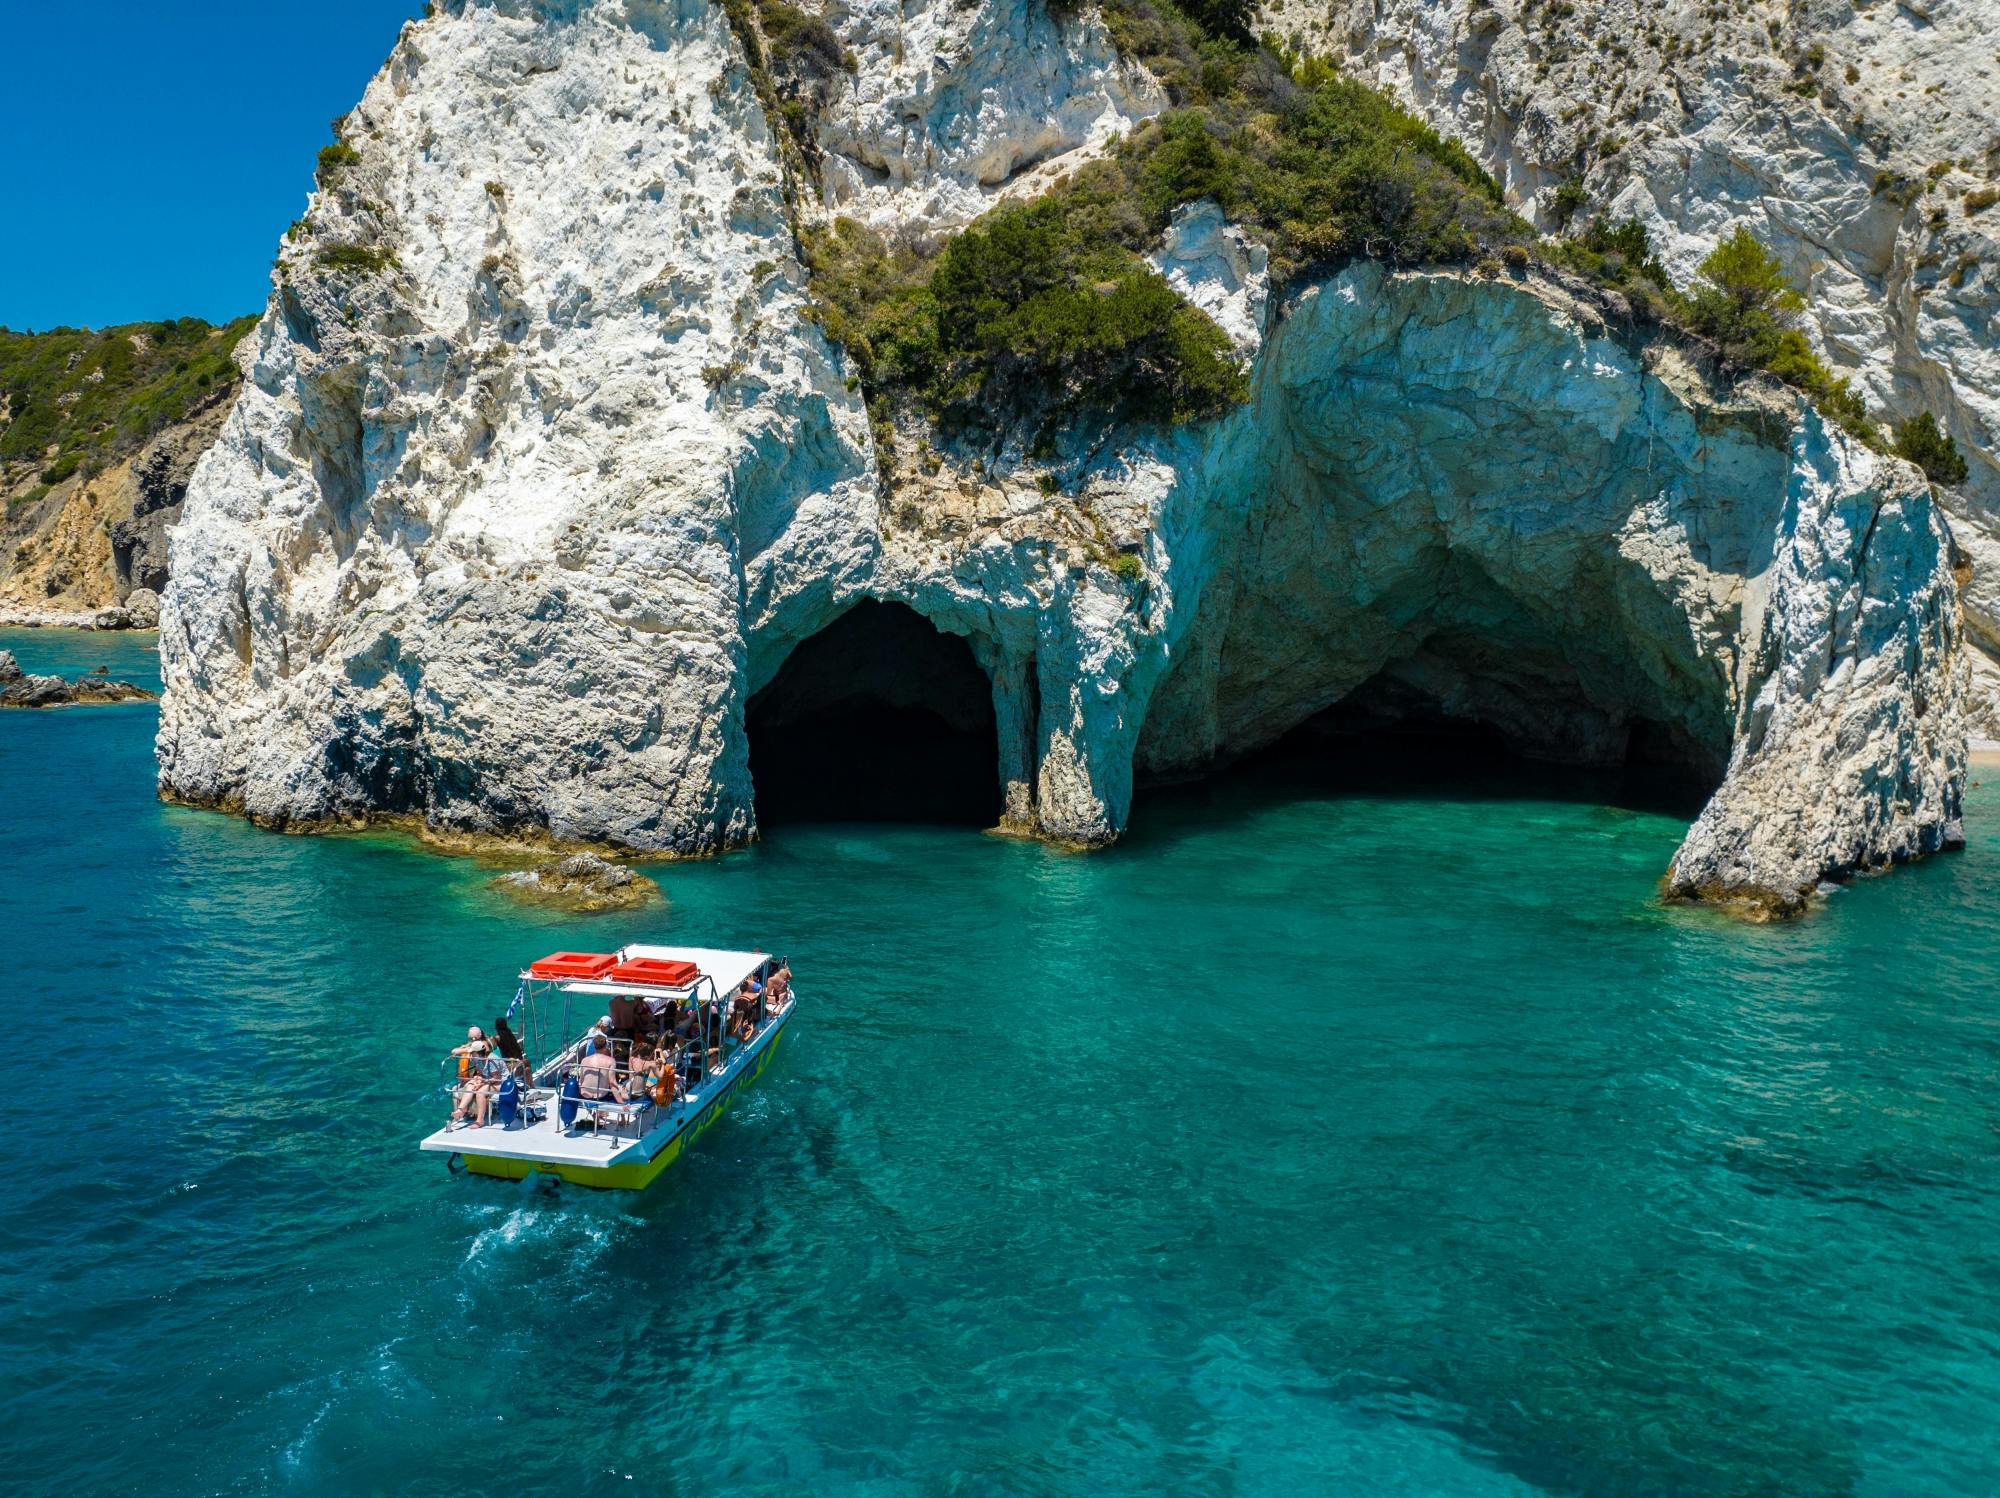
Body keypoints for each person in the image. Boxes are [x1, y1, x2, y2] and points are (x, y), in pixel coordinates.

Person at [449, 1028, 500, 1128]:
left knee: (480, 1092)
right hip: (485, 1078)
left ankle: (479, 1120)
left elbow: (496, 1077)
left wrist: (481, 1082)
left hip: (497, 1081)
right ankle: (460, 1111)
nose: (470, 1055)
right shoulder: (477, 1059)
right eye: (471, 1037)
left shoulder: (489, 1056)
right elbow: (482, 1072)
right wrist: (478, 1079)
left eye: (475, 1037)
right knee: (461, 1088)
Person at [492, 1015, 531, 1087]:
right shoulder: (510, 1035)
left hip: (509, 1065)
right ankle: (531, 1086)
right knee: (527, 1065)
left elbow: (492, 1046)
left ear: (496, 1027)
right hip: (518, 1062)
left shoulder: (497, 1038)